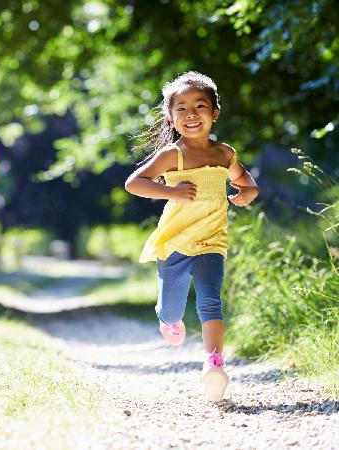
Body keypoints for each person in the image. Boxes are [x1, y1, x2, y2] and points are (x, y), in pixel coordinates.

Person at [124, 71, 259, 401]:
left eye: (199, 106)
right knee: (172, 309)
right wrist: (171, 192)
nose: (191, 115)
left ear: (214, 114)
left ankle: (214, 363)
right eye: (181, 108)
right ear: (171, 116)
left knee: (210, 299)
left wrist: (249, 191)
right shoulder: (173, 155)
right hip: (175, 243)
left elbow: (244, 181)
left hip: (212, 241)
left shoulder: (224, 154)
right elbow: (134, 183)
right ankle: (167, 319)